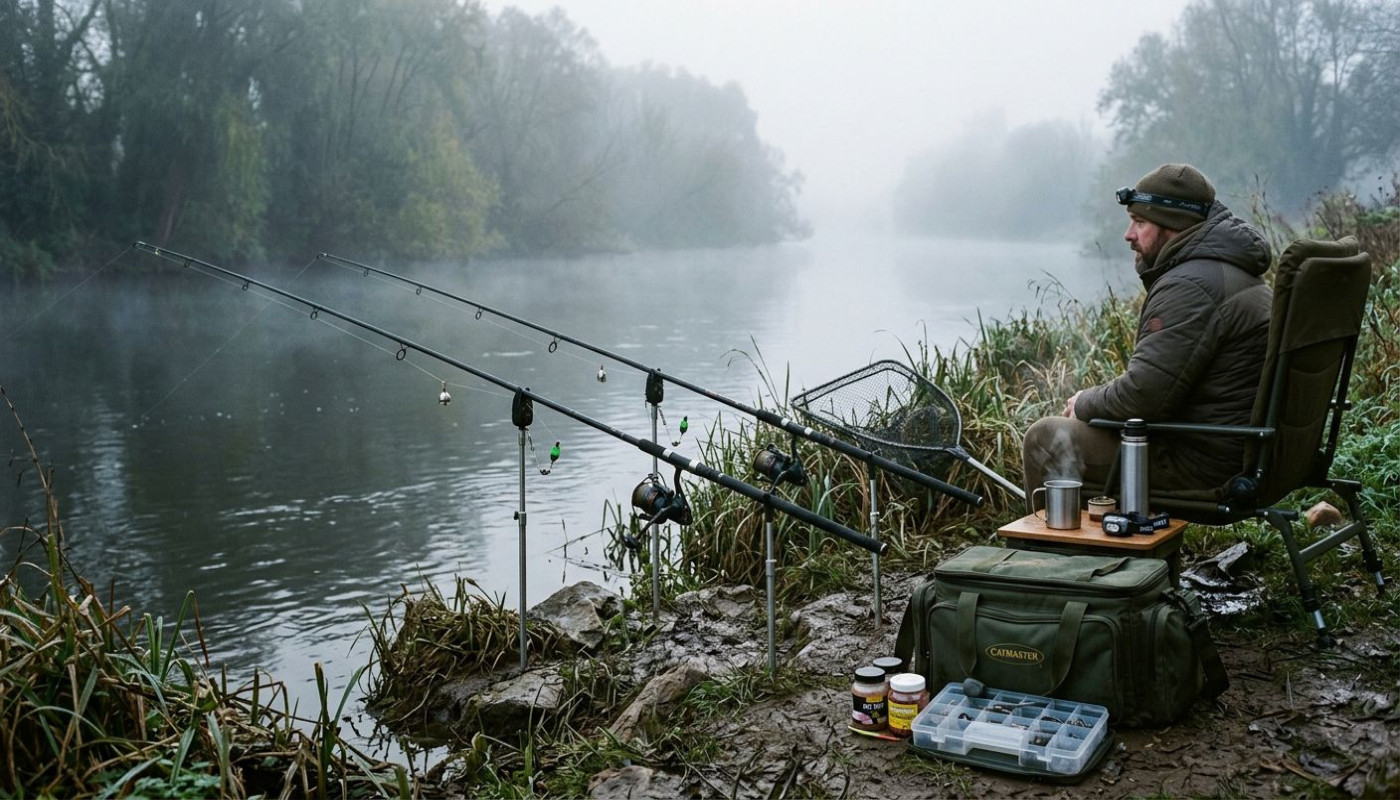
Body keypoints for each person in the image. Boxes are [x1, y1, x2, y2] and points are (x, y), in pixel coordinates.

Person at [1021, 164, 1273, 509]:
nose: (1128, 234)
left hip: (1203, 465)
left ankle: (1061, 558)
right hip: (1242, 451)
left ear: (1173, 226)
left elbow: (1143, 398)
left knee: (1046, 437)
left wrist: (1082, 402)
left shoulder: (1191, 286)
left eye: (1140, 223)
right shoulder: (1228, 269)